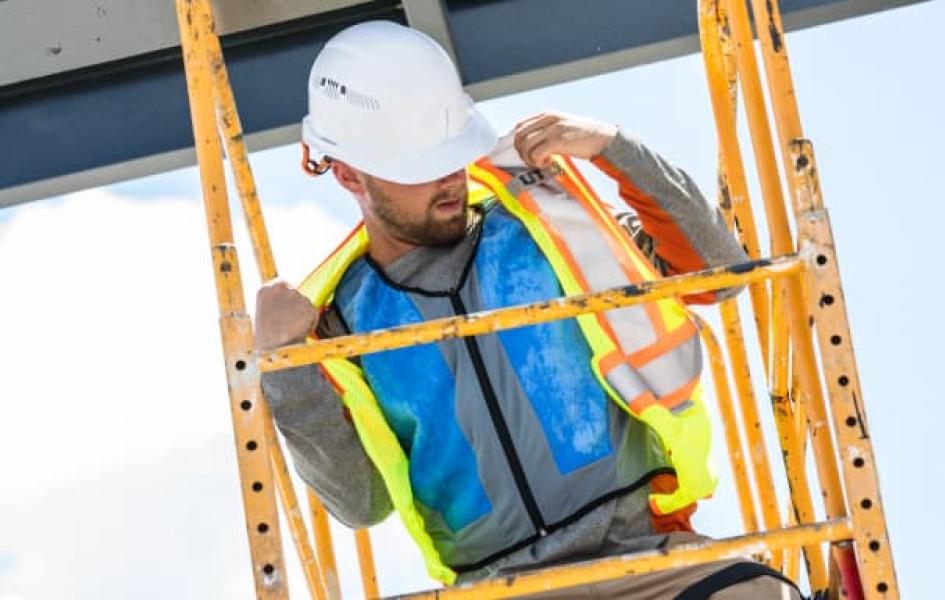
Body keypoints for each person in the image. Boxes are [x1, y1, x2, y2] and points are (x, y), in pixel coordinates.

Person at [257, 20, 800, 599]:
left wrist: (613, 147)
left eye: (453, 154)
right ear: (346, 175)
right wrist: (283, 366)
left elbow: (719, 276)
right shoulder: (339, 321)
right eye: (420, 168)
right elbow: (360, 502)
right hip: (497, 590)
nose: (448, 177)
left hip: (647, 562)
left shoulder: (550, 232)